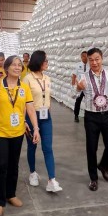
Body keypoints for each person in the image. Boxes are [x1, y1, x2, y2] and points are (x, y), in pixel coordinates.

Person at [0, 55, 40, 216]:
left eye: (20, 65)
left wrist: (36, 128)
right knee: (1, 166)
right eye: (14, 65)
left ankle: (10, 194)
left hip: (18, 132)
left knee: (14, 165)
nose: (18, 67)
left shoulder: (24, 87)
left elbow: (30, 108)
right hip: (0, 132)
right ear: (6, 68)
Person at [76, 47, 108, 192]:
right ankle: (93, 178)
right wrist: (78, 88)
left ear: (102, 59)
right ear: (88, 61)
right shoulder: (83, 76)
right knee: (91, 148)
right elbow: (75, 95)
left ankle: (103, 165)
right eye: (91, 60)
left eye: (97, 59)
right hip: (91, 116)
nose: (94, 62)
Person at [23, 50, 63, 193]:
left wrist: (48, 111)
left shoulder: (47, 78)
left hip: (46, 117)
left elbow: (48, 97)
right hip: (31, 116)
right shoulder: (27, 79)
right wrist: (24, 120)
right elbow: (23, 102)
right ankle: (33, 173)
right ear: (38, 61)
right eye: (45, 61)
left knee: (48, 148)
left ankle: (52, 180)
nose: (47, 63)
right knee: (32, 146)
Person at [72, 51, 88, 123]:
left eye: (86, 56)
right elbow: (74, 76)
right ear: (81, 57)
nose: (85, 58)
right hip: (79, 87)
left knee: (89, 102)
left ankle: (88, 116)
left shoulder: (90, 66)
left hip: (87, 87)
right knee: (78, 101)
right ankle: (76, 115)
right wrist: (73, 86)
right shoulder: (78, 65)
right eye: (84, 56)